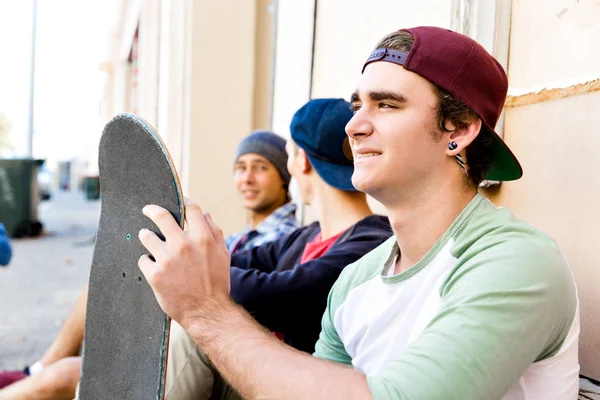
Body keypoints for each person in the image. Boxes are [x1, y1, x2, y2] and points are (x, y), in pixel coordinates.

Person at [138, 26, 580, 400]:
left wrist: (205, 311)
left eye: (386, 104)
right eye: (357, 105)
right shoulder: (358, 278)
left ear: (459, 129)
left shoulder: (516, 262)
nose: (354, 126)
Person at [0, 98, 393, 400]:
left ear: (299, 161)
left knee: (193, 315)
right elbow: (235, 264)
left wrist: (192, 269)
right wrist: (185, 252)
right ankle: (39, 371)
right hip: (239, 366)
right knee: (77, 370)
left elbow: (273, 292)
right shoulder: (305, 236)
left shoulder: (367, 241)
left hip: (272, 379)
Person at [0, 130, 298, 394]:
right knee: (105, 287)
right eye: (240, 167)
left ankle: (37, 373)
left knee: (67, 373)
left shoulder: (285, 235)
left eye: (260, 168)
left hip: (209, 340)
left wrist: (189, 273)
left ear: (286, 177)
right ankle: (38, 371)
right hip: (175, 331)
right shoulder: (245, 234)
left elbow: (258, 290)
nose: (246, 178)